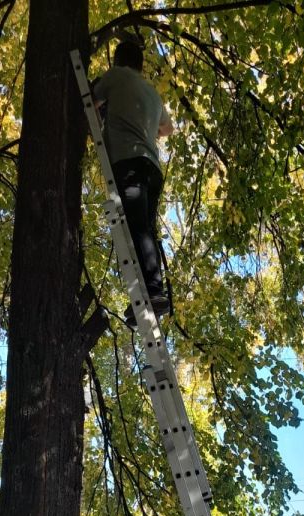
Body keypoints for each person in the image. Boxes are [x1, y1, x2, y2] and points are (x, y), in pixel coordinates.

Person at [92, 41, 173, 323]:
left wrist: (106, 110)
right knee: (146, 230)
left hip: (129, 163)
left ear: (119, 60)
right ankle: (150, 295)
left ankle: (153, 291)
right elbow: (168, 129)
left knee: (139, 229)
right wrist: (146, 128)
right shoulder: (153, 93)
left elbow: (91, 98)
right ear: (140, 64)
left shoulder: (115, 76)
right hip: (152, 168)